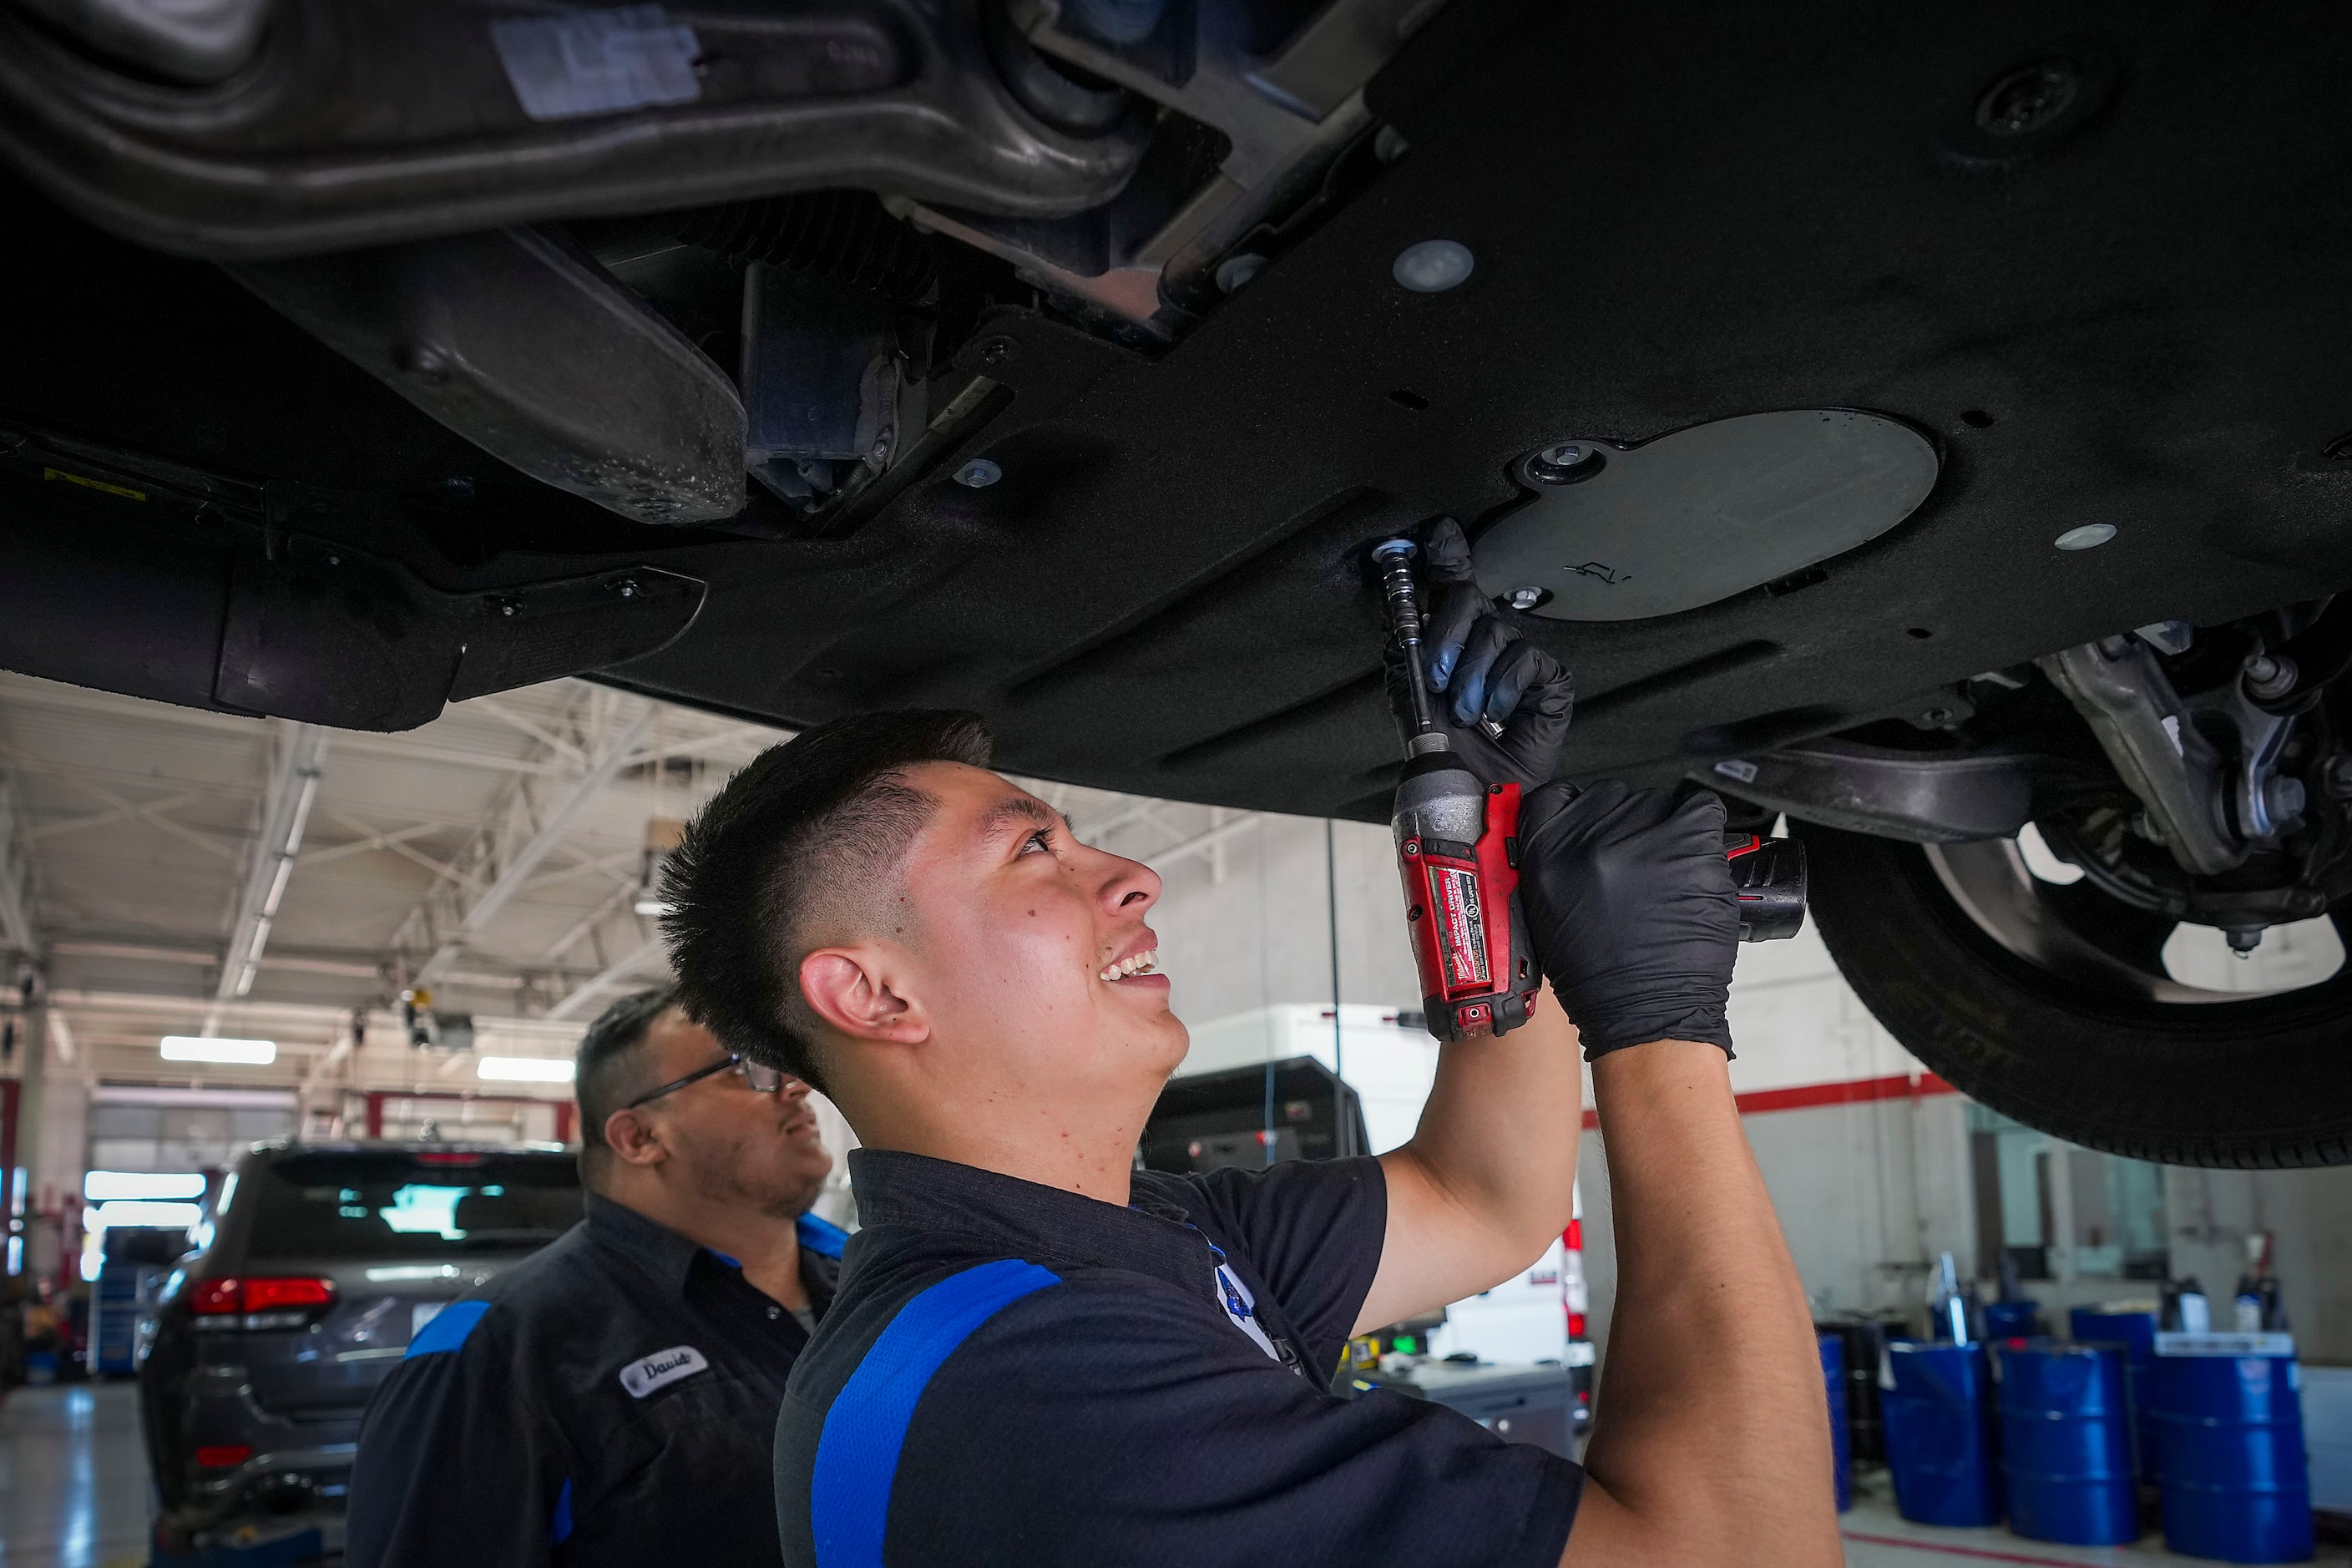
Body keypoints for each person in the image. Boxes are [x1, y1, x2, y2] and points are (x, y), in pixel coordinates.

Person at [661, 523, 1838, 1566]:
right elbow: (1740, 1549)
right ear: (871, 993)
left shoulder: (1134, 1239)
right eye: (1033, 851)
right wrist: (1659, 1025)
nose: (1130, 877)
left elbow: (1482, 1199)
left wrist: (1486, 859)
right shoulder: (1030, 1375)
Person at [344, 987, 842, 1567]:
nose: (796, 1085)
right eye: (744, 1069)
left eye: (785, 1062)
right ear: (640, 1138)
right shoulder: (500, 1358)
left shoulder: (871, 1293)